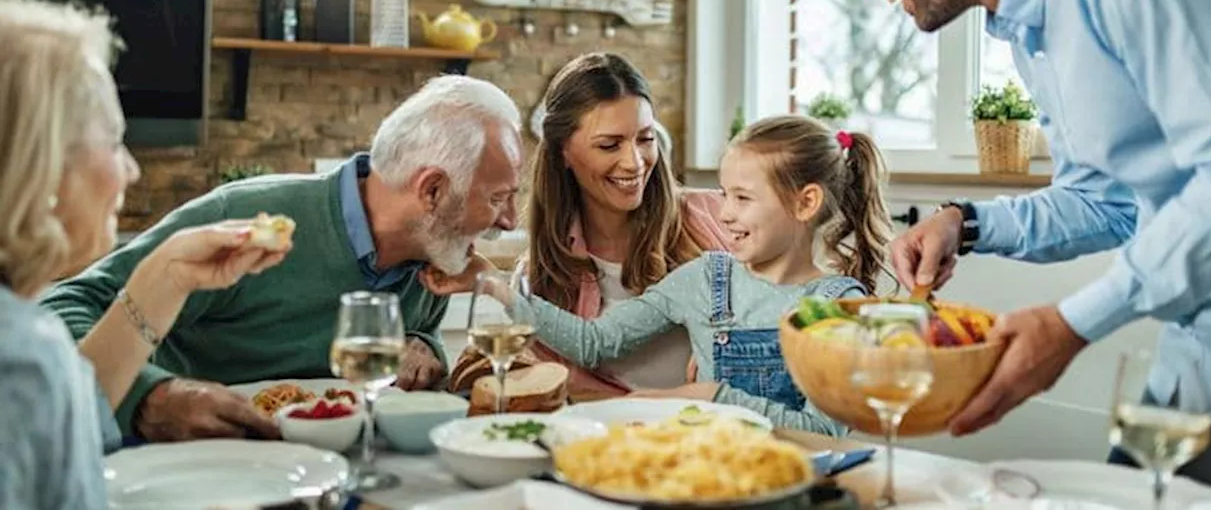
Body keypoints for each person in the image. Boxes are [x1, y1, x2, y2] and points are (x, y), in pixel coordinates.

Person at [823, 0, 1211, 501]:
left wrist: (1072, 324)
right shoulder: (1033, 28)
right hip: (1190, 385)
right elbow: (1110, 203)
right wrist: (967, 223)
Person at [41, 74, 524, 443]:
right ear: (432, 190)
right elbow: (61, 309)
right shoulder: (247, 217)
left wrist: (424, 349)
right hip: (177, 465)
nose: (509, 221)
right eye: (500, 198)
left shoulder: (436, 254)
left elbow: (416, 347)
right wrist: (149, 396)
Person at [0, 0, 292, 509]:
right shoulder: (21, 357)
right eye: (114, 141)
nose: (130, 169)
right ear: (41, 163)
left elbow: (65, 425)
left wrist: (168, 274)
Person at [432, 115, 894, 435]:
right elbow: (595, 343)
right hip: (698, 474)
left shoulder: (837, 306)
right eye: (724, 194)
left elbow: (824, 431)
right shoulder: (704, 279)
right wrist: (496, 287)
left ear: (806, 203)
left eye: (743, 199)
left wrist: (713, 396)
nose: (725, 214)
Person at [504, 52, 731, 398]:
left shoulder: (719, 215)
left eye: (645, 138)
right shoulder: (539, 280)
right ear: (562, 151)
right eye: (610, 145)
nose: (634, 162)